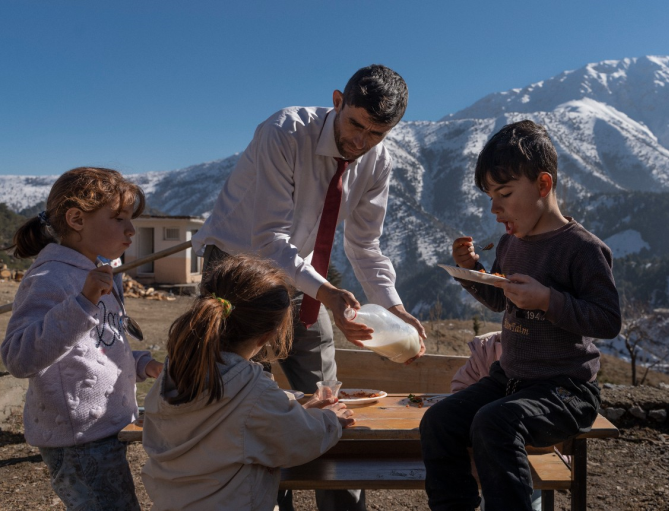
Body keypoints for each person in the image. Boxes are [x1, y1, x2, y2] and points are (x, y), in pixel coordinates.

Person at [192, 64, 426, 510]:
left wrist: (393, 308)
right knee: (242, 397)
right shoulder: (284, 132)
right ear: (337, 101)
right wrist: (330, 295)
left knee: (327, 398)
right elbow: (269, 240)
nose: (360, 142)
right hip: (237, 271)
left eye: (377, 133)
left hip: (303, 277)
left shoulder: (377, 161)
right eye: (355, 124)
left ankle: (342, 507)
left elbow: (365, 244)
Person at [420, 120, 621, 511]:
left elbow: (607, 320)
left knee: (495, 423)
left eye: (505, 194)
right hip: (510, 380)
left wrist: (548, 299)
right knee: (438, 422)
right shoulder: (512, 243)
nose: (495, 209)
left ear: (543, 185)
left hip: (565, 390)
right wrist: (473, 270)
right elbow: (502, 300)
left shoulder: (581, 249)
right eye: (490, 196)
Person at [1, 167, 163, 511]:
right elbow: (18, 357)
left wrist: (142, 364)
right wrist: (82, 302)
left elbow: (94, 346)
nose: (131, 229)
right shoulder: (51, 277)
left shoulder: (97, 272)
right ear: (76, 219)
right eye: (119, 218)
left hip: (106, 427)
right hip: (78, 441)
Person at [141, 253, 355, 510]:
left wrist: (299, 412)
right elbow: (298, 439)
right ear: (268, 335)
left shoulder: (173, 375)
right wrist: (330, 419)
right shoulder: (251, 390)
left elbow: (239, 429)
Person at [450, 331, 542, 511]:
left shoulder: (542, 353)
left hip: (534, 452)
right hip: (487, 448)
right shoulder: (485, 350)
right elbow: (460, 390)